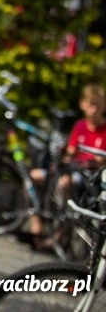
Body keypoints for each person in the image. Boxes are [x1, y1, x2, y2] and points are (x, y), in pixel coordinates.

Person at [28, 82, 106, 250]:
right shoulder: (80, 126)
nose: (94, 110)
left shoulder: (104, 130)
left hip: (88, 177)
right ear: (83, 104)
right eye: (91, 105)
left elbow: (100, 161)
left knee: (65, 184)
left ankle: (58, 236)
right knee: (33, 177)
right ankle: (37, 226)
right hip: (71, 168)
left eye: (98, 106)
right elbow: (71, 151)